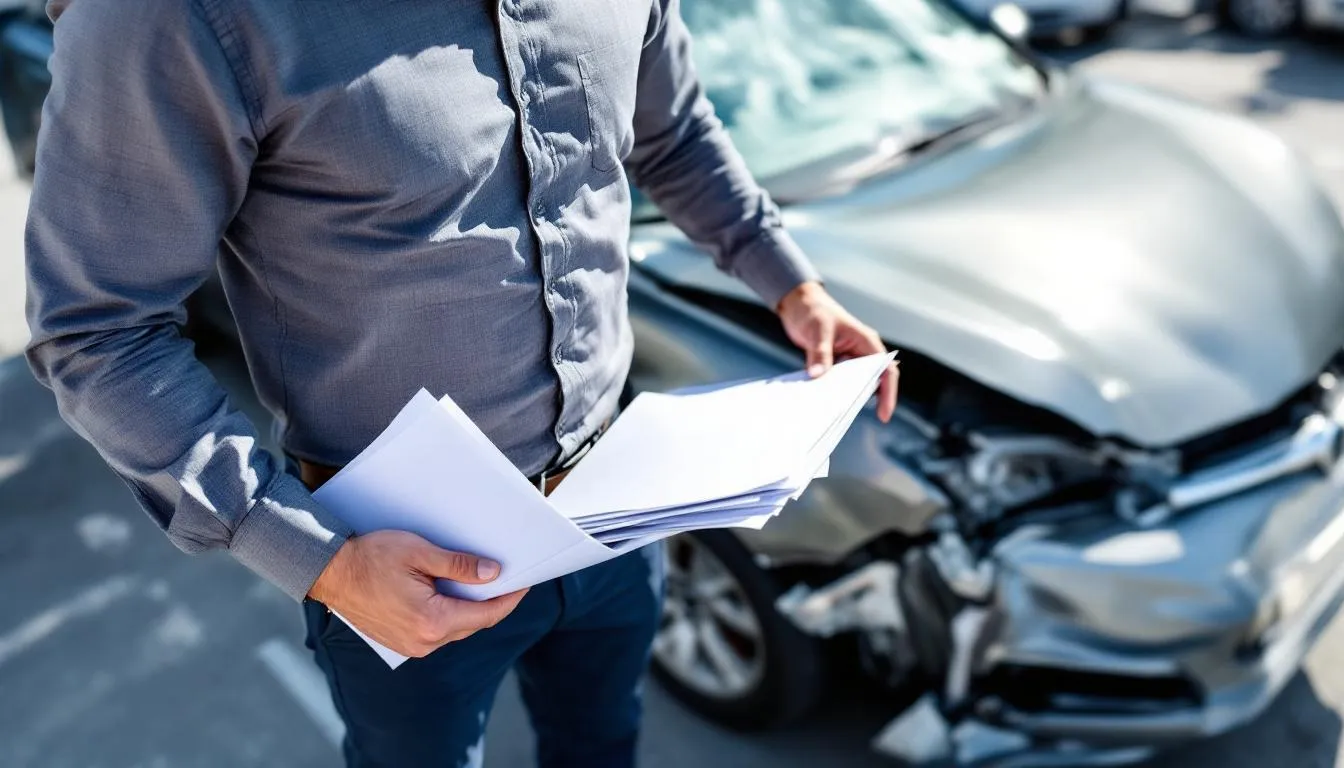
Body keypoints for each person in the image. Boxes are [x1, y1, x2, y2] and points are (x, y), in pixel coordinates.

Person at [24, 0, 900, 765]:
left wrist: (790, 282)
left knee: (602, 747)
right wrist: (314, 558)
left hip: (622, 507)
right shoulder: (174, 15)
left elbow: (672, 130)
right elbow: (98, 330)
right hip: (387, 558)